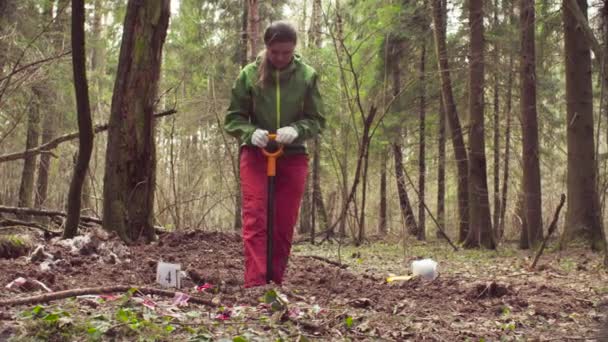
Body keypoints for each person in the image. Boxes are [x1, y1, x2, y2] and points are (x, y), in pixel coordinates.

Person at [224, 21, 325, 288]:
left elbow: (316, 120)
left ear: (294, 49)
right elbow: (234, 118)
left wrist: (297, 129)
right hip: (256, 154)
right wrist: (249, 133)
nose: (280, 58)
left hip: (292, 155)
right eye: (275, 52)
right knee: (256, 216)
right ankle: (256, 284)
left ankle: (275, 282)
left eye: (286, 52)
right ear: (267, 48)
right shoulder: (249, 74)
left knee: (283, 223)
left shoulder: (307, 76)